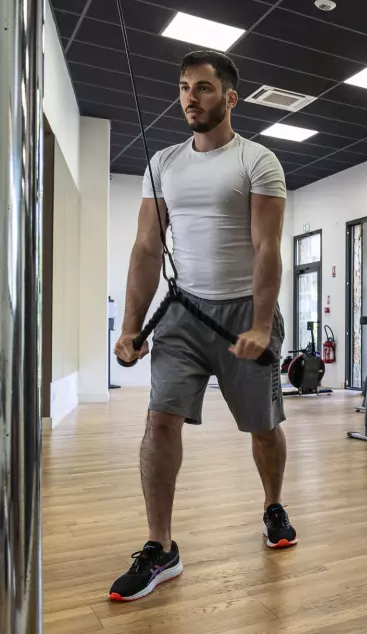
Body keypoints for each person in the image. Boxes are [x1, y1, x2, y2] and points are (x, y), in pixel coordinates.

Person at [109, 50, 295, 602]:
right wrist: (131, 327)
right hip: (183, 314)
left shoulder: (257, 160)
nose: (191, 97)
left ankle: (273, 505)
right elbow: (146, 248)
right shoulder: (163, 162)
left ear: (230, 97)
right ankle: (161, 547)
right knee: (159, 421)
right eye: (185, 87)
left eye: (204, 88)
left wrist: (261, 325)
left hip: (243, 315)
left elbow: (268, 248)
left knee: (263, 427)